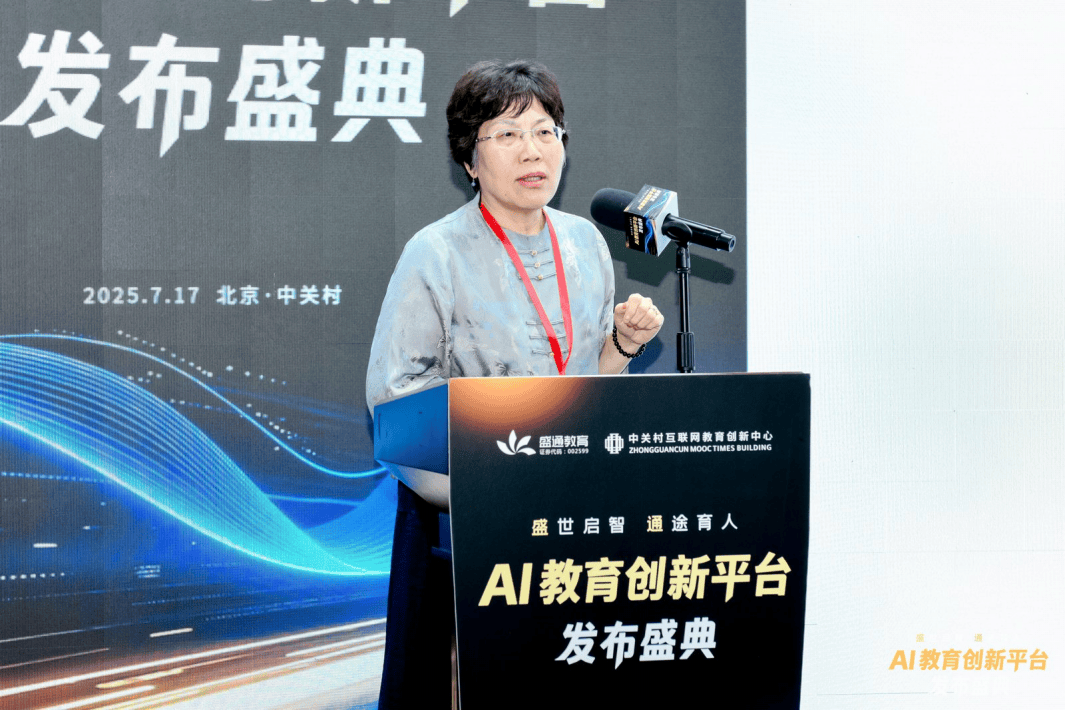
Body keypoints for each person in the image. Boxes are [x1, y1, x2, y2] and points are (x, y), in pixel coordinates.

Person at [366, 60, 664, 708]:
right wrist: (483, 493)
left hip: (569, 515)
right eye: (506, 134)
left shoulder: (585, 244)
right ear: (468, 159)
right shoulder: (436, 251)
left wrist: (622, 343)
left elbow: (578, 385)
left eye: (545, 131)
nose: (532, 150)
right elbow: (395, 398)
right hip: (467, 521)